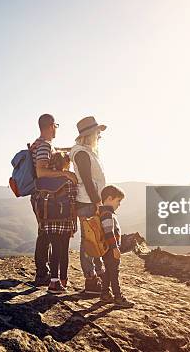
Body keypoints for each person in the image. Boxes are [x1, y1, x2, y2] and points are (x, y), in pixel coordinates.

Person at [30, 114, 77, 287]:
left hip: (45, 196)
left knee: (46, 234)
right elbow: (41, 172)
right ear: (51, 126)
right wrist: (65, 173)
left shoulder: (44, 144)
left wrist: (76, 148)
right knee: (45, 234)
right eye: (56, 125)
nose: (56, 128)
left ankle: (46, 274)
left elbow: (53, 153)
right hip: (44, 197)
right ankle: (43, 274)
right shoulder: (43, 145)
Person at [70, 116, 107, 294]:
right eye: (97, 132)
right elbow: (87, 180)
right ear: (90, 134)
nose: (99, 136)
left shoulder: (86, 151)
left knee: (95, 238)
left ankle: (98, 274)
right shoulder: (82, 152)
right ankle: (91, 280)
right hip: (88, 202)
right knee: (89, 240)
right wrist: (98, 202)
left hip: (90, 201)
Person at [98, 185, 134, 308]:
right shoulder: (107, 214)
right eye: (118, 200)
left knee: (108, 272)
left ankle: (105, 294)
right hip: (110, 249)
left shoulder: (103, 212)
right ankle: (118, 297)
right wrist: (115, 248)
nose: (119, 204)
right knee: (114, 273)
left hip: (106, 249)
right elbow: (108, 232)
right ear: (109, 198)